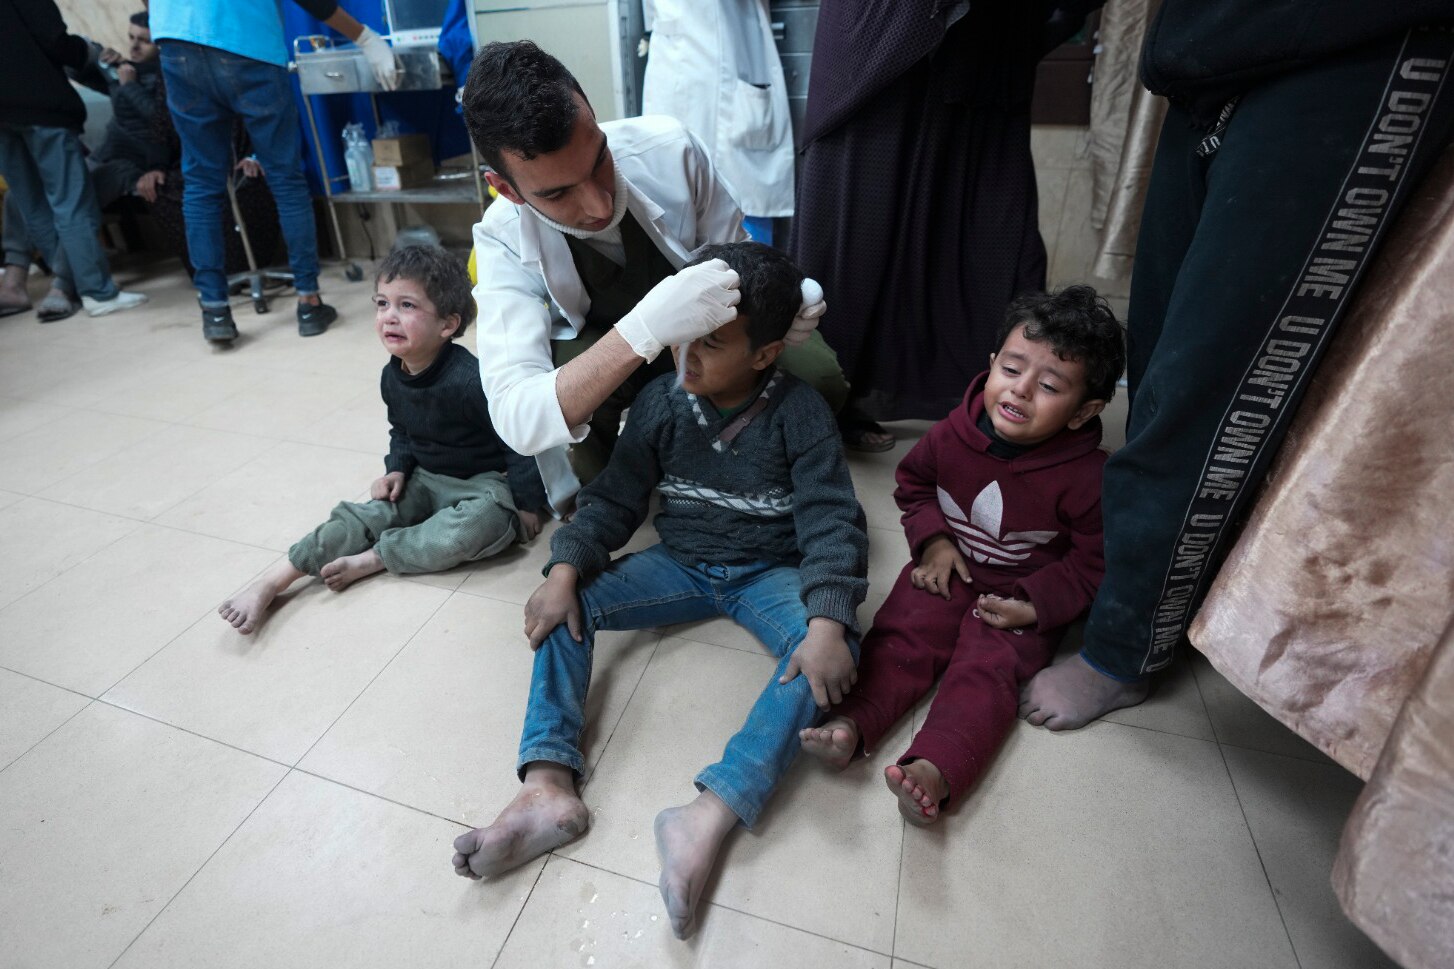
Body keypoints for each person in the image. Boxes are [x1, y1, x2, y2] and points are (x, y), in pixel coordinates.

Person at [1019, 3, 1454, 730]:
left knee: (1212, 384)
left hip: (1355, 45)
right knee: (1158, 358)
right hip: (1216, 47)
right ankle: (1132, 579)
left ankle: (1124, 648)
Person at [450, 242, 869, 940]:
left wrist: (825, 619)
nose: (687, 356)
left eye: (712, 343)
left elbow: (832, 521)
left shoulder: (800, 415)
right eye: (684, 335)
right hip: (680, 561)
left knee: (833, 645)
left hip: (768, 572)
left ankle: (710, 812)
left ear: (764, 355)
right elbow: (614, 499)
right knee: (566, 606)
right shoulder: (659, 402)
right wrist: (564, 570)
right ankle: (546, 783)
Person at [462, 40, 847, 511]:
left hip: (716, 323)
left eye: (599, 161)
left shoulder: (671, 149)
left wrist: (790, 291)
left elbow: (739, 250)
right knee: (574, 413)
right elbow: (519, 417)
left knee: (822, 378)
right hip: (606, 341)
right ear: (507, 189)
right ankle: (615, 493)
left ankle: (757, 456)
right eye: (559, 193)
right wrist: (645, 329)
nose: (599, 205)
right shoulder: (500, 237)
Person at [801, 286, 1123, 822]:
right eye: (1012, 369)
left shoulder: (1090, 479)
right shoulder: (953, 433)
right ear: (992, 364)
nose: (1020, 392)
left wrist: (1035, 606)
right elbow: (914, 485)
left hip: (1018, 599)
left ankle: (936, 766)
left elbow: (1094, 564)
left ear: (1083, 410)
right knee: (901, 637)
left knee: (985, 670)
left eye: (1048, 386)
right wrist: (935, 543)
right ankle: (853, 724)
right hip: (943, 570)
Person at [790, 1, 1100, 453]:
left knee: (996, 241)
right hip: (888, 44)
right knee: (855, 246)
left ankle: (992, 406)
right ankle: (823, 406)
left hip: (987, 48)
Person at [217, 246, 549, 635]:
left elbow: (516, 441)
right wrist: (397, 469)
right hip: (424, 478)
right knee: (365, 514)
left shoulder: (470, 379)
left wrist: (528, 506)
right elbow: (403, 432)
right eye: (382, 304)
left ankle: (377, 557)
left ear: (447, 324)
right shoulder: (391, 377)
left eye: (406, 305)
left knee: (481, 524)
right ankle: (275, 580)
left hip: (481, 482)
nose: (388, 316)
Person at [149, 0, 402, 344]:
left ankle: (215, 310)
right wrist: (365, 38)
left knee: (201, 184)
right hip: (247, 42)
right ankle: (309, 302)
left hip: (176, 41)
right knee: (285, 179)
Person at [1, 11, 167, 321]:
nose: (134, 46)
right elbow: (57, 45)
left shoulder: (161, 77)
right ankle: (89, 289)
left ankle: (64, 287)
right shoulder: (126, 71)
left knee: (48, 202)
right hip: (42, 108)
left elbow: (157, 121)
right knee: (63, 202)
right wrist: (93, 55)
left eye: (143, 41)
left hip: (126, 164)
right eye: (131, 38)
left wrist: (123, 81)